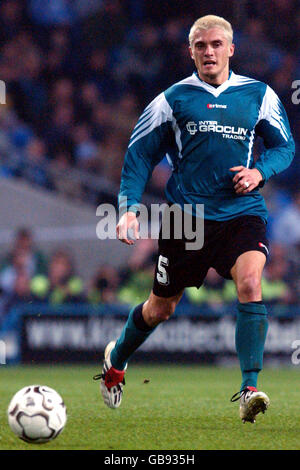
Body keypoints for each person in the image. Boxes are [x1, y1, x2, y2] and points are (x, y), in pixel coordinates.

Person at [93, 15, 295, 423]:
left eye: (216, 44)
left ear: (231, 49)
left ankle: (249, 388)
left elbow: (284, 147)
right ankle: (116, 362)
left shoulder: (259, 94)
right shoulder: (172, 99)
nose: (209, 52)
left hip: (242, 211)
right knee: (160, 309)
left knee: (252, 282)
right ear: (191, 51)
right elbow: (139, 153)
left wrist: (260, 172)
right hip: (186, 219)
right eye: (201, 46)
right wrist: (129, 206)